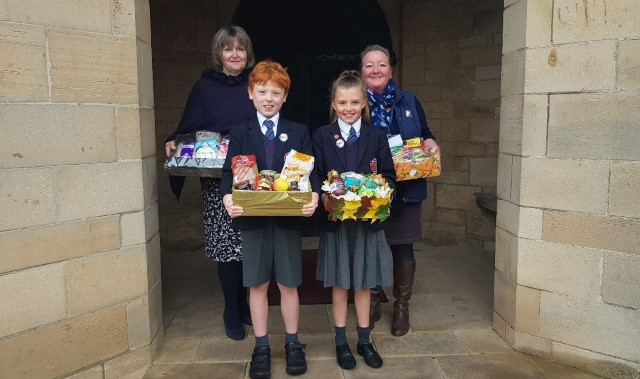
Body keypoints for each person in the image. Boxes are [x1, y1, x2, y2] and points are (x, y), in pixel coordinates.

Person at [221, 60, 320, 379]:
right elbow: (228, 175)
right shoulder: (239, 131)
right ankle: (261, 346)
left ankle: (293, 343)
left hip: (287, 221)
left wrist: (314, 197)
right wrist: (228, 200)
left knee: (289, 283)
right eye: (262, 91)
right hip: (252, 221)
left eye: (275, 92)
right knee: (258, 284)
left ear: (285, 96)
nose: (268, 98)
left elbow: (311, 175)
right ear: (250, 93)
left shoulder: (298, 131)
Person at [164, 25, 256, 341]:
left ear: (248, 53)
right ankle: (231, 307)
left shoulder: (258, 84)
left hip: (251, 174)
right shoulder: (204, 87)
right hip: (216, 176)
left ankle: (246, 303)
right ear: (219, 54)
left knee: (250, 242)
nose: (235, 55)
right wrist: (174, 142)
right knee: (226, 243)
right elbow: (187, 126)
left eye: (240, 49)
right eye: (228, 49)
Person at [312, 71, 396, 370]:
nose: (349, 108)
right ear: (334, 104)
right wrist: (322, 195)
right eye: (342, 102)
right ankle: (340, 341)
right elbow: (316, 175)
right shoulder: (321, 135)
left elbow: (388, 174)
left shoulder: (377, 136)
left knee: (364, 283)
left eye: (355, 102)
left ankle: (364, 339)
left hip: (367, 222)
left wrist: (381, 192)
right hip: (337, 223)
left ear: (364, 104)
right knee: (339, 282)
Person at [360, 44, 440, 336]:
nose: (376, 70)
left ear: (390, 69)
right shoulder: (357, 102)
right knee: (370, 245)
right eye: (369, 65)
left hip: (407, 187)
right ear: (361, 72)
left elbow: (426, 133)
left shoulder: (408, 100)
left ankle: (402, 306)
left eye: (381, 64)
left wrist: (431, 144)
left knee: (403, 245)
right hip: (372, 188)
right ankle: (371, 300)